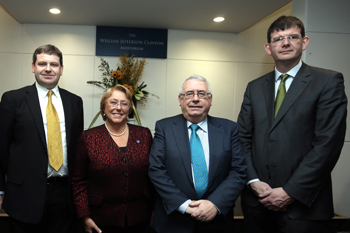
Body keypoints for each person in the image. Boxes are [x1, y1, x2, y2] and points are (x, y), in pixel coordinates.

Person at [237, 15, 347, 233]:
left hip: (303, 208)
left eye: (292, 37)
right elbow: (242, 138)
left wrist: (290, 192)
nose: (285, 43)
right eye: (278, 39)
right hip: (256, 205)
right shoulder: (254, 87)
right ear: (269, 48)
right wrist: (253, 181)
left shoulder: (327, 82)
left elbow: (327, 145)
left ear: (304, 42)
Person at [0, 44, 84, 233]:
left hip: (64, 196)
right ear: (33, 67)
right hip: (24, 196)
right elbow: (1, 148)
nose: (48, 69)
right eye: (42, 63)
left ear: (61, 69)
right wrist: (0, 189)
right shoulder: (13, 99)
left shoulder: (75, 102)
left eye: (54, 64)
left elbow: (77, 149)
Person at [148, 75, 247, 233]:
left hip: (217, 222)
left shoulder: (229, 129)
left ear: (210, 99)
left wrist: (215, 203)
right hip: (174, 222)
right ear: (180, 100)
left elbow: (239, 171)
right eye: (189, 94)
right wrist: (185, 205)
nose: (195, 99)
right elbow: (157, 170)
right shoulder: (164, 128)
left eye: (201, 94)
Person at [72, 85, 154, 233]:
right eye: (113, 102)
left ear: (129, 109)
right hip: (100, 221)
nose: (118, 108)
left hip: (140, 218)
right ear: (103, 107)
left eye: (124, 103)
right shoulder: (89, 138)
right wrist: (84, 217)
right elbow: (78, 182)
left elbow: (153, 176)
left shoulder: (144, 135)